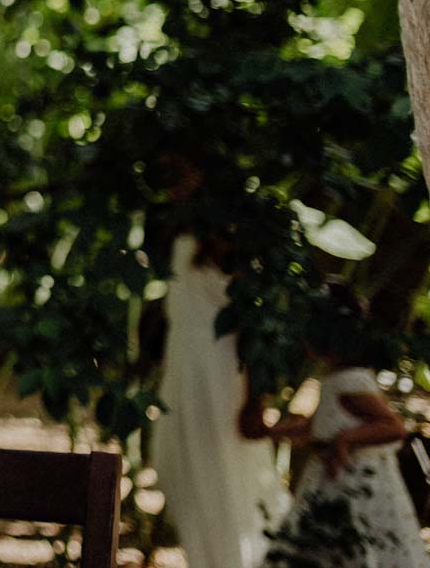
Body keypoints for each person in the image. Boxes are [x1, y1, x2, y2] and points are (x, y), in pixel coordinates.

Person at [251, 286, 428, 568]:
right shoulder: (336, 377)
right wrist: (275, 431)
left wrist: (346, 440)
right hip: (328, 476)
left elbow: (393, 428)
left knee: (353, 546)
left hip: (356, 479)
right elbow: (320, 424)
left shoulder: (350, 380)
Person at [152, 234, 289, 568]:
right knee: (175, 466)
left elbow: (256, 325)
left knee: (225, 474)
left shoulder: (235, 241)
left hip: (220, 374)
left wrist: (257, 397)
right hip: (185, 368)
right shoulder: (179, 235)